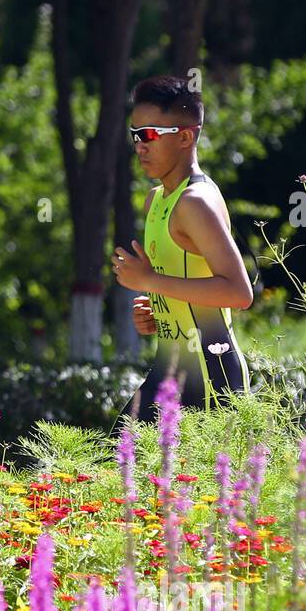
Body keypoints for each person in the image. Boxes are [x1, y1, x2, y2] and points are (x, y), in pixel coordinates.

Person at [111, 74, 253, 429]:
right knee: (120, 469)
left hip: (211, 374)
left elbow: (238, 292)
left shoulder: (196, 203)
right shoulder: (156, 199)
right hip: (169, 368)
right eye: (135, 134)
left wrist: (152, 280)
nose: (140, 145)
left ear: (186, 136)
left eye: (150, 134)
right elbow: (189, 284)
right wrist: (156, 310)